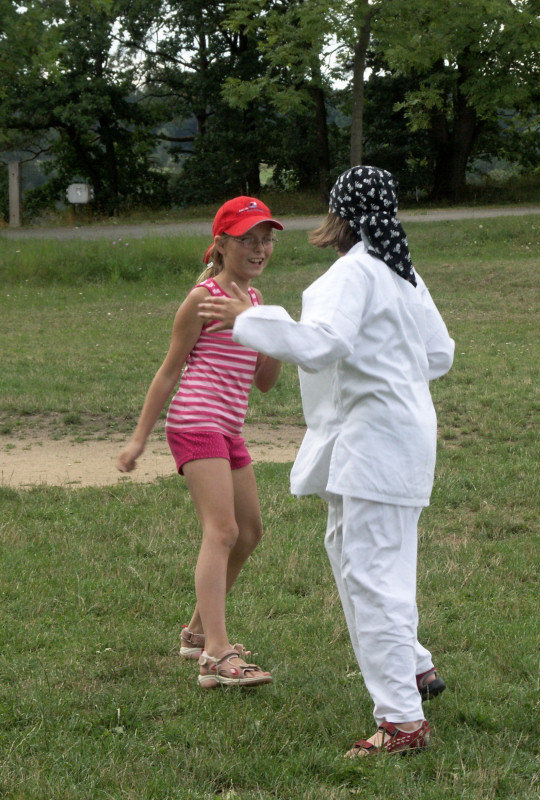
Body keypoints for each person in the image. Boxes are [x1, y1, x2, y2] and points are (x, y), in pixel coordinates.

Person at [197, 167, 454, 754]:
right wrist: (389, 369)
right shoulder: (402, 273)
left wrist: (247, 320)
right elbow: (438, 354)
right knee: (363, 558)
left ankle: (402, 721)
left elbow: (322, 344)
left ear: (338, 216)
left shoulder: (354, 273)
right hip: (397, 440)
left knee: (372, 576)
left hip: (373, 444)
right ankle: (415, 666)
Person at [117, 196, 283, 689]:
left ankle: (195, 633)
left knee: (249, 532)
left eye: (265, 239)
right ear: (221, 245)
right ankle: (216, 652)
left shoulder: (255, 303)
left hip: (229, 428)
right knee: (222, 530)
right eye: (247, 239)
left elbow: (265, 383)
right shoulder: (202, 298)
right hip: (195, 421)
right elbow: (170, 371)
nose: (259, 248)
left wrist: (274, 334)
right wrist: (139, 439)